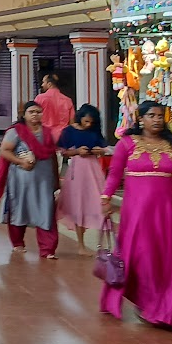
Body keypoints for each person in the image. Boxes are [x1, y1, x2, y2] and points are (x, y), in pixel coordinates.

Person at [100, 100, 172, 330]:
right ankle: (145, 302)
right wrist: (105, 198)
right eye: (152, 115)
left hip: (167, 211)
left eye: (160, 116)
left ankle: (165, 307)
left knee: (167, 256)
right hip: (137, 212)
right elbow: (114, 174)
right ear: (141, 119)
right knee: (141, 255)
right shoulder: (127, 144)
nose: (157, 120)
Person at [0, 101, 60, 258]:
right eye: (31, 112)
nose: (35, 114)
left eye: (38, 111)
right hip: (20, 180)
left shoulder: (48, 133)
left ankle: (47, 249)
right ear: (24, 114)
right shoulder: (16, 132)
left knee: (46, 211)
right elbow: (4, 151)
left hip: (43, 179)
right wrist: (21, 161)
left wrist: (56, 179)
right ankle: (17, 243)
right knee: (19, 209)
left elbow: (52, 156)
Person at [58, 104, 108, 253]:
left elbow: (103, 146)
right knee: (78, 203)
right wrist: (77, 151)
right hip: (77, 169)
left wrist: (101, 151)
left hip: (93, 168)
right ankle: (81, 244)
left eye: (91, 122)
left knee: (96, 202)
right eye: (86, 121)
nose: (88, 125)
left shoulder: (94, 131)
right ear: (80, 117)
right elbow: (64, 152)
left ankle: (100, 243)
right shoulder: (69, 131)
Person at [35, 72, 75, 150]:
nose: (42, 85)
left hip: (44, 135)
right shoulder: (67, 100)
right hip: (62, 136)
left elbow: (34, 118)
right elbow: (72, 123)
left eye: (43, 82)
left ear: (49, 84)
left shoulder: (40, 98)